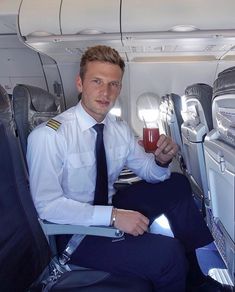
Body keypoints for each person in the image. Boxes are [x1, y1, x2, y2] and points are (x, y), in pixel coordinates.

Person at [27, 45, 233, 292]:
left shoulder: (118, 128)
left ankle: (197, 278)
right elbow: (48, 206)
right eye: (97, 81)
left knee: (176, 184)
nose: (106, 92)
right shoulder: (49, 136)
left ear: (120, 88)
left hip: (107, 206)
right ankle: (178, 272)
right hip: (74, 231)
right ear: (80, 84)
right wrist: (114, 217)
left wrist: (161, 160)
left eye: (114, 84)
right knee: (168, 255)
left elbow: (149, 172)